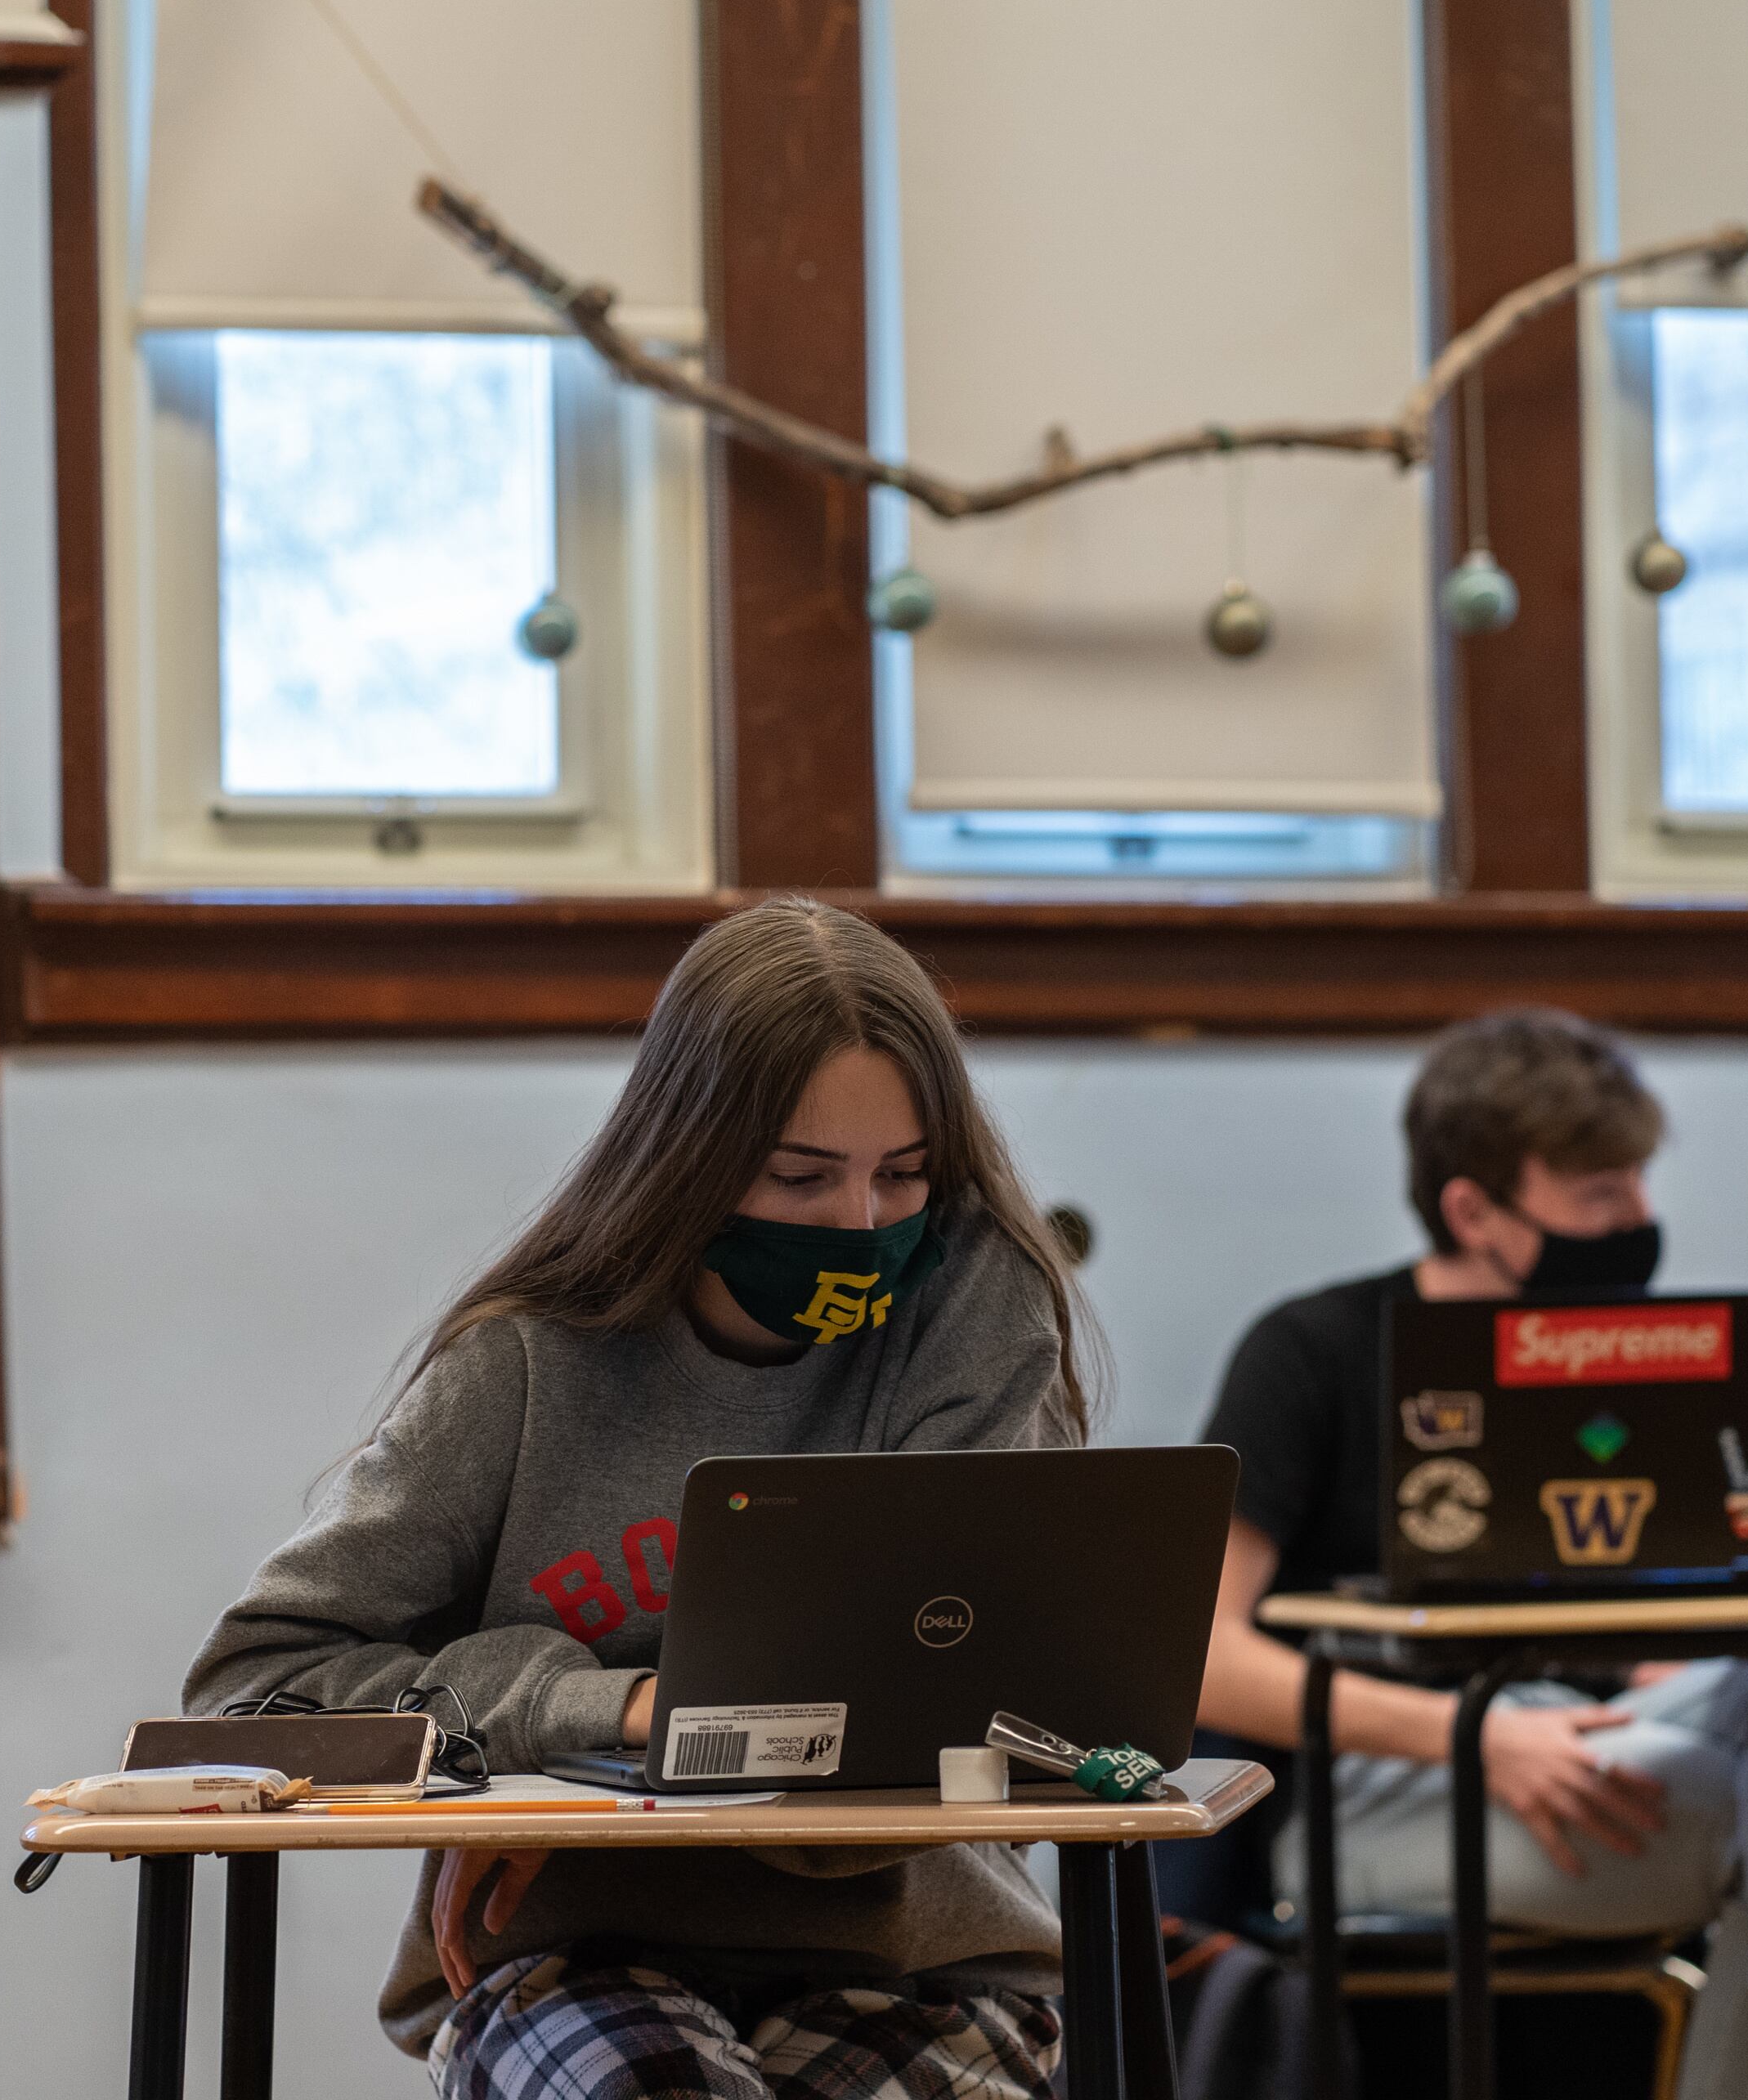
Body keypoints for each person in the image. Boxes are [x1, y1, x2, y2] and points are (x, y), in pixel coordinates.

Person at [185, 897, 1100, 2100]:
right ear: (690, 1163)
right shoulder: (526, 1368)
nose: (863, 1224)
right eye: (801, 1177)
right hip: (572, 1953)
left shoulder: (974, 1309)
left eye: (905, 1175)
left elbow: (976, 1689)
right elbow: (254, 1692)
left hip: (923, 1956)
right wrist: (602, 1703)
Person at [1194, 1007, 1748, 2100]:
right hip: (1374, 1792)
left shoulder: (1617, 1357)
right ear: (1473, 1210)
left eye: (1639, 1185)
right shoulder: (1314, 1352)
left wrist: (1668, 1674)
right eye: (1600, 1195)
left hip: (1588, 1745)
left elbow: (1623, 1639)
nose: (1640, 1219)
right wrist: (1476, 1738)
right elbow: (1203, 1658)